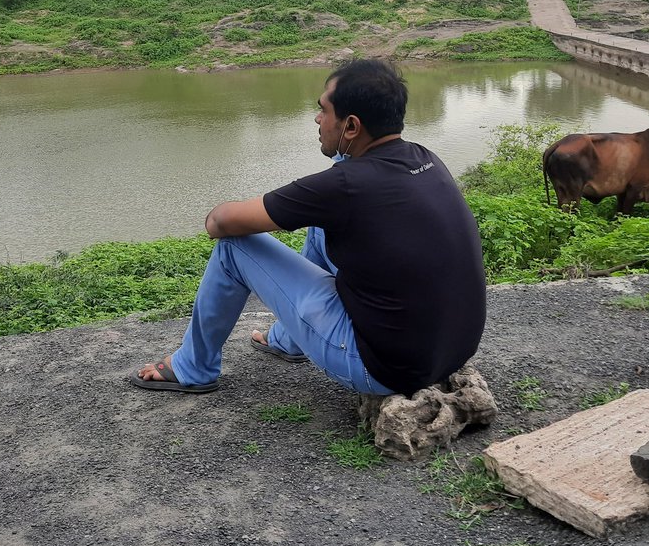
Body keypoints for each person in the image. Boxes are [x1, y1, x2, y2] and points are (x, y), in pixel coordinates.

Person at [132, 58, 486, 397]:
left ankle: (193, 368)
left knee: (233, 247)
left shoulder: (343, 186)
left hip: (379, 369)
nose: (317, 119)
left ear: (351, 126)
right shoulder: (425, 158)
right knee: (321, 227)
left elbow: (221, 223)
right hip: (451, 352)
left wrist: (215, 208)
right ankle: (288, 340)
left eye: (323, 110)